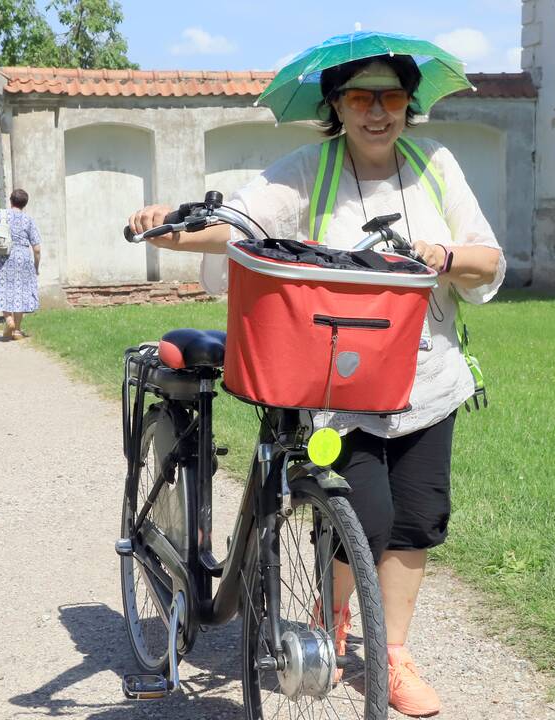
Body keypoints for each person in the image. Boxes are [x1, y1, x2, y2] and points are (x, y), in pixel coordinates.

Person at [128, 54, 504, 717]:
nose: (378, 112)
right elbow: (243, 220)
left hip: (425, 377)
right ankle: (330, 621)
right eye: (361, 98)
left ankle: (391, 656)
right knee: (367, 515)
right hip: (341, 382)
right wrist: (176, 226)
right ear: (337, 105)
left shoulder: (435, 165)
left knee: (416, 523)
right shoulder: (310, 170)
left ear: (410, 105)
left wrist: (444, 256)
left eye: (391, 98)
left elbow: (489, 257)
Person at [0, 188, 41, 339]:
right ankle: (17, 330)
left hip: (5, 256)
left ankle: (8, 319)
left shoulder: (1, 214)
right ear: (25, 204)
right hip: (23, 258)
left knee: (5, 288)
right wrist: (36, 266)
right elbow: (37, 248)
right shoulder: (29, 220)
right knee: (21, 291)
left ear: (11, 201)